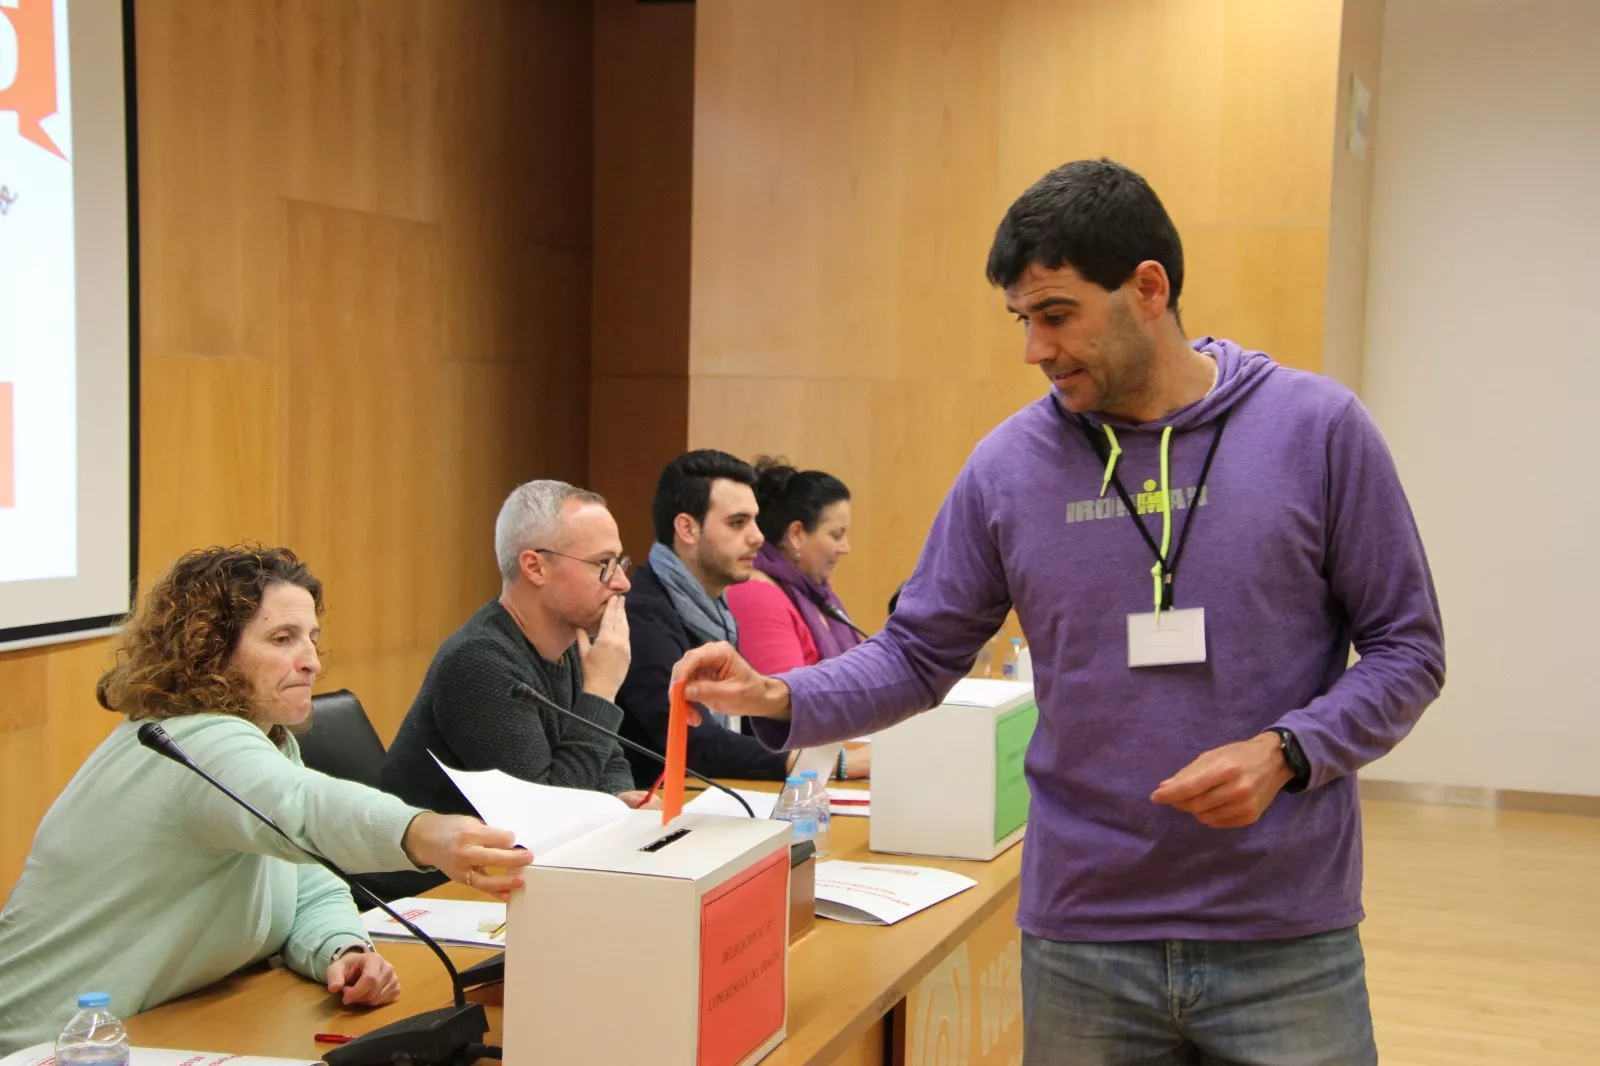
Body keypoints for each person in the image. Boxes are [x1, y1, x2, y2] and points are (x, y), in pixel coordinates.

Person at [672, 159, 1445, 1066]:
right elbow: (920, 651)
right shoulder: (1008, 467)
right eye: (1022, 320)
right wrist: (780, 695)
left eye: (1056, 314)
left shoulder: (1318, 431)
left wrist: (1289, 752)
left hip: (1283, 933)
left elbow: (1408, 649)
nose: (1034, 349)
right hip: (1085, 938)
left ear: (1148, 289)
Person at [0, 546, 532, 1052]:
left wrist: (341, 949)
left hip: (163, 1027)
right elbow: (304, 808)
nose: (311, 663)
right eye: (282, 639)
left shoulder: (266, 740)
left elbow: (307, 882)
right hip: (58, 1042)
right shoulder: (193, 742)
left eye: (311, 638)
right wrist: (421, 831)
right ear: (208, 650)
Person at [380, 482, 651, 880]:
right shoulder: (479, 661)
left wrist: (617, 799)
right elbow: (544, 822)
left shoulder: (572, 646)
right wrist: (601, 691)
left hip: (512, 881)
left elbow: (606, 757)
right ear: (535, 567)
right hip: (431, 898)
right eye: (603, 564)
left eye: (619, 564)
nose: (622, 583)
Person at [614, 451, 791, 786]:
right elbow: (695, 742)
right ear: (687, 529)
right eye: (738, 523)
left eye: (755, 521)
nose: (758, 537)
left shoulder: (716, 612)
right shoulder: (640, 614)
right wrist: (799, 760)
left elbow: (744, 713)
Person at [727, 457, 870, 779]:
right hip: (800, 772)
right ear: (796, 534)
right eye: (836, 534)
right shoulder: (756, 593)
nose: (845, 547)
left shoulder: (814, 591)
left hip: (833, 754)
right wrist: (848, 764)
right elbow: (788, 707)